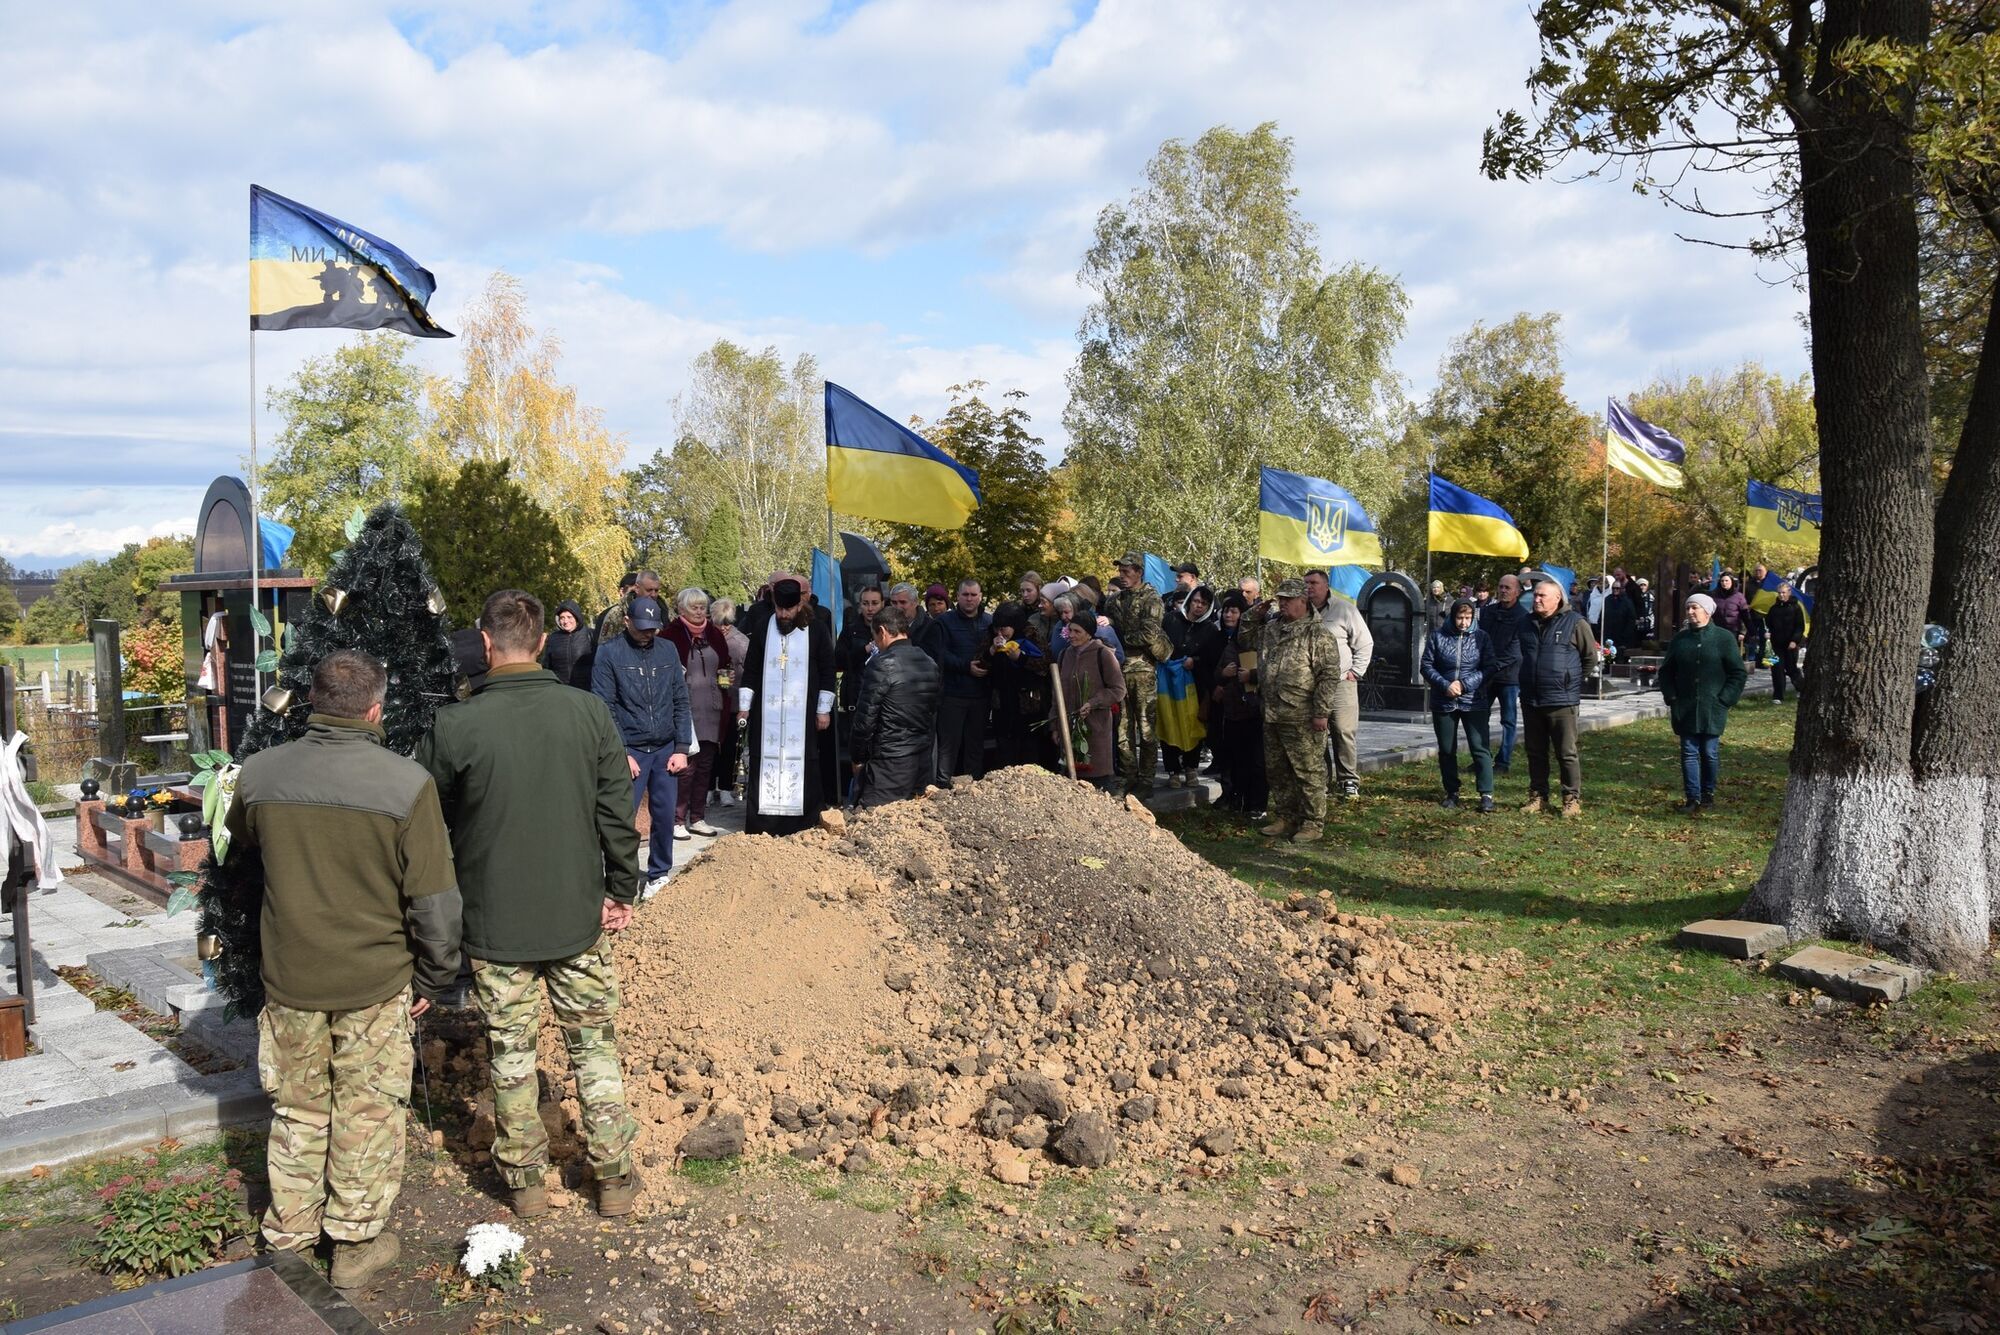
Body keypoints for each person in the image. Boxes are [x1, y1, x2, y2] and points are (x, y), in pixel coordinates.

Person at [226, 650, 459, 1290]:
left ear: (311, 701)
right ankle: (354, 1245)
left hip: (291, 977)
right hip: (375, 981)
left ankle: (290, 1237)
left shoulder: (261, 774)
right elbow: (434, 900)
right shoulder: (407, 785)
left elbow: (242, 839)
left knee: (298, 1110)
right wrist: (435, 978)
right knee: (367, 1110)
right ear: (376, 710)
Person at [416, 591, 643, 1221]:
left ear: (486, 644)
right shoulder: (588, 713)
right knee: (594, 1048)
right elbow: (616, 814)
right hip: (576, 916)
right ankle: (614, 1180)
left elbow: (425, 821)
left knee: (511, 1058)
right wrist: (622, 888)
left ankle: (526, 1185)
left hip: (492, 923)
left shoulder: (455, 724)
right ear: (543, 642)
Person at [590, 594, 693, 897]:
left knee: (664, 816)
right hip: (630, 748)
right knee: (621, 819)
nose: (649, 634)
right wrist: (619, 751)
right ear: (626, 622)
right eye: (642, 628)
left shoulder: (668, 650)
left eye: (653, 628)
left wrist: (682, 747)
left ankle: (659, 874)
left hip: (665, 748)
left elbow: (680, 699)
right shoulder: (609, 653)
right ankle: (618, 880)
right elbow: (604, 705)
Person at [737, 576, 836, 835]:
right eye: (779, 608)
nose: (783, 615)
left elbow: (828, 671)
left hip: (803, 713)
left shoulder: (816, 630)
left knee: (805, 761)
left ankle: (802, 825)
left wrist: (823, 710)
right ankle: (762, 827)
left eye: (788, 609)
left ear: (799, 605)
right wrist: (745, 706)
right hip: (766, 714)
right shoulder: (762, 627)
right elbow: (751, 670)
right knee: (763, 761)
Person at [1259, 578, 1341, 843]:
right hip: (1272, 712)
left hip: (1302, 715)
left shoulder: (1318, 635)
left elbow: (1328, 677)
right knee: (1278, 770)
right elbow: (1244, 637)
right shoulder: (1272, 629)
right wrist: (1253, 613)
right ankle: (1285, 816)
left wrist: (1321, 713)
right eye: (1279, 599)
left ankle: (1313, 822)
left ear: (1302, 602)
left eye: (1287, 599)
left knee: (1308, 771)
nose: (1281, 604)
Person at [1657, 592, 1748, 814]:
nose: (1690, 612)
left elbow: (1737, 672)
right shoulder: (1680, 640)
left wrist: (1725, 699)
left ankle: (1708, 793)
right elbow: (1666, 672)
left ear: (1707, 611)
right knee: (1688, 751)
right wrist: (1672, 697)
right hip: (1685, 706)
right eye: (1688, 608)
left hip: (1712, 707)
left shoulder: (1723, 638)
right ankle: (1692, 797)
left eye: (1694, 608)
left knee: (1709, 751)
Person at [1517, 575, 1598, 817]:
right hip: (1532, 698)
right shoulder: (1526, 623)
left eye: (1542, 596)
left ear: (1557, 598)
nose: (1537, 599)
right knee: (1535, 751)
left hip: (1562, 700)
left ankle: (1571, 799)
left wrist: (1569, 680)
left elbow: (1589, 658)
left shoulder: (1575, 622)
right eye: (1535, 595)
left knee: (1566, 752)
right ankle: (1538, 796)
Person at [849, 604, 940, 806]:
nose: (875, 643)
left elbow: (865, 720)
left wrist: (857, 758)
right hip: (921, 760)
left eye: (874, 636)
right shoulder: (928, 662)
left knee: (874, 825)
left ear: (881, 631)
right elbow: (932, 711)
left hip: (888, 764)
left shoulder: (882, 664)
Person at [662, 587, 731, 838]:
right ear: (681, 610)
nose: (700, 611)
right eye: (694, 607)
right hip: (684, 708)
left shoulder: (714, 634)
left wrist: (727, 677)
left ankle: (698, 817)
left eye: (703, 606)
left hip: (712, 707)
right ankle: (677, 819)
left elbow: (725, 664)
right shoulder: (670, 635)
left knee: (705, 765)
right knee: (686, 767)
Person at [1303, 568, 1374, 800]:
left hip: (1341, 683)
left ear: (1326, 586)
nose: (1309, 587)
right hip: (1310, 685)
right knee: (1317, 734)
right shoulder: (1301, 611)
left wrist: (1356, 672)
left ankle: (1349, 781)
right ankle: (1321, 781)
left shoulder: (1344, 610)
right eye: (1306, 583)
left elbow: (1364, 642)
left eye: (1313, 583)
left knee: (1343, 732)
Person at [1421, 599, 1499, 812]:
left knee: (1479, 747)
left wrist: (1464, 685)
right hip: (1444, 699)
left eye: (1468, 618)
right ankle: (1452, 791)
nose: (1464, 623)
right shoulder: (1438, 636)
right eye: (1459, 618)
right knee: (1447, 749)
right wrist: (1445, 684)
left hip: (1474, 700)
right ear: (1453, 617)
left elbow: (1490, 667)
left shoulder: (1482, 638)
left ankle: (1486, 793)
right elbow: (1426, 666)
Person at [1105, 552, 1171, 796]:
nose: (1122, 576)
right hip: (1119, 669)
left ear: (1138, 571)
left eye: (1127, 571)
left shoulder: (1151, 598)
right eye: (1120, 572)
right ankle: (1128, 775)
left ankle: (1146, 779)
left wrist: (1120, 640)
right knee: (1123, 728)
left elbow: (1149, 635)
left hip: (1142, 669)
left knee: (1145, 727)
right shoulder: (1115, 600)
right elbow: (1107, 622)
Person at [1210, 591, 1267, 815]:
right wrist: (1223, 675)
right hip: (1232, 712)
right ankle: (1236, 799)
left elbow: (1272, 674)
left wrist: (1251, 676)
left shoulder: (1264, 644)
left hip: (1255, 712)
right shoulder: (1232, 645)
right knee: (1235, 760)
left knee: (1256, 762)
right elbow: (1218, 673)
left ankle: (1257, 805)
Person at [932, 578, 995, 780]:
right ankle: (943, 785)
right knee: (948, 747)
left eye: (973, 595)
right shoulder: (944, 622)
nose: (969, 599)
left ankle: (973, 787)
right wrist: (965, 666)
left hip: (980, 695)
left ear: (980, 597)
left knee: (975, 745)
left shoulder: (990, 622)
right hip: (953, 694)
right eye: (965, 595)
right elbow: (939, 653)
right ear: (957, 597)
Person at [1055, 611, 1126, 786]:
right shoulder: (1065, 655)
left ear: (1089, 633)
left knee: (1098, 784)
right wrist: (1055, 726)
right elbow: (1057, 695)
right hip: (1069, 730)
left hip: (1096, 729)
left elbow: (1118, 689)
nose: (1071, 635)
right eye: (1070, 630)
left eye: (1077, 631)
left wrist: (1094, 703)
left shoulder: (1103, 654)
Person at [1163, 584, 1221, 786]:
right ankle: (1173, 770)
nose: (1198, 606)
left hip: (1195, 684)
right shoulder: (1171, 620)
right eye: (1196, 601)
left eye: (1204, 604)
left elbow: (1212, 657)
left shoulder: (1210, 629)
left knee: (1193, 724)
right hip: (1168, 681)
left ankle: (1190, 768)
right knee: (1169, 721)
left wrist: (1194, 661)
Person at [984, 601, 1048, 770]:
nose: (1000, 633)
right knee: (1004, 749)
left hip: (1028, 704)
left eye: (1004, 629)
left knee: (1029, 750)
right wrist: (991, 651)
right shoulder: (991, 636)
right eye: (997, 629)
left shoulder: (1031, 635)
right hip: (1003, 703)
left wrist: (1021, 658)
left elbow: (1045, 665)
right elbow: (980, 663)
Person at [1478, 573, 1530, 774]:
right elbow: (1481, 640)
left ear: (1517, 592)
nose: (1503, 591)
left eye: (1508, 588)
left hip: (1509, 676)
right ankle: (1481, 758)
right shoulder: (1488, 612)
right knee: (1480, 716)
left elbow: (1515, 651)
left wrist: (1492, 667)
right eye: (1500, 586)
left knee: (1508, 720)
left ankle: (1503, 761)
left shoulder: (1523, 616)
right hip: (1487, 674)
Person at [708, 598, 751, 807]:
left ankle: (726, 787)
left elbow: (750, 674)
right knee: (709, 748)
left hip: (733, 704)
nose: (723, 627)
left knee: (729, 749)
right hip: (710, 703)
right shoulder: (705, 638)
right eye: (719, 622)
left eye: (727, 622)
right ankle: (707, 788)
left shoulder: (742, 642)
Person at [1764, 580, 1808, 702]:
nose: (1781, 595)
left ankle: (1802, 689)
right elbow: (1768, 624)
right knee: (1776, 669)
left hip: (1791, 645)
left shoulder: (1796, 607)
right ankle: (1778, 695)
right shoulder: (1773, 609)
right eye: (1779, 593)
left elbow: (1800, 626)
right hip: (1776, 644)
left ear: (1789, 592)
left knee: (1791, 669)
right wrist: (1767, 633)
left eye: (1783, 593)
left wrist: (1795, 640)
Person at [541, 601, 594, 688]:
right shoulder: (553, 638)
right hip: (561, 689)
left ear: (576, 617)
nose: (565, 621)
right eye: (562, 618)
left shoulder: (590, 634)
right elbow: (547, 665)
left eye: (569, 617)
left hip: (586, 689)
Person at [1710, 572, 1750, 653]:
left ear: (1732, 582)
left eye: (1726, 581)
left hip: (1733, 630)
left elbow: (1745, 615)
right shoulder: (1714, 595)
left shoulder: (1739, 596)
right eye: (1722, 581)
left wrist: (1742, 632)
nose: (1724, 583)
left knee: (1730, 652)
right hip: (1717, 629)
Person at [1743, 562, 1772, 664]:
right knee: (1751, 637)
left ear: (1765, 572)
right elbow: (1743, 598)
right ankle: (1752, 658)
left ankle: (1764, 660)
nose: (1758, 572)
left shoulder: (1769, 584)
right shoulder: (1748, 584)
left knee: (1765, 638)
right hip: (1752, 615)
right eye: (1756, 570)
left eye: (1760, 570)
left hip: (1766, 616)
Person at [1631, 577, 1657, 644]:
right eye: (1640, 585)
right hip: (1637, 625)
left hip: (1649, 624)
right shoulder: (1634, 597)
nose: (1642, 587)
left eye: (1644, 585)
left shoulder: (1651, 596)